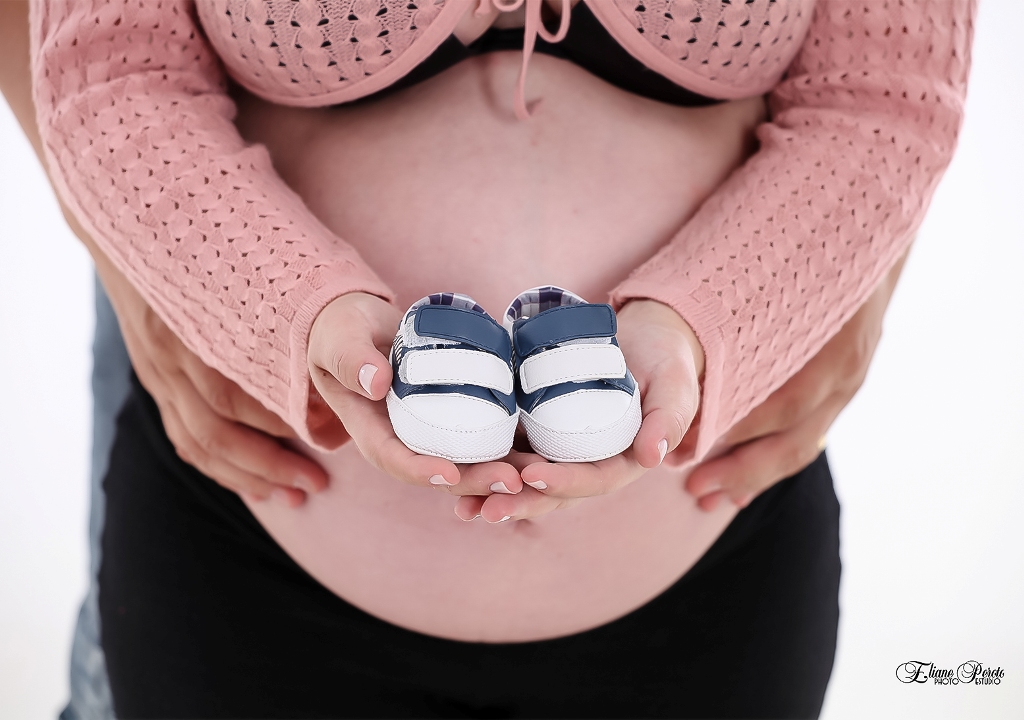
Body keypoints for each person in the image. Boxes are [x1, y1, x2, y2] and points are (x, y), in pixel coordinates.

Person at [6, 0, 973, 716]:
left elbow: (882, 94)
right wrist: (277, 307)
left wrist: (724, 316)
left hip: (711, 579)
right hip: (245, 569)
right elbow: (109, 68)